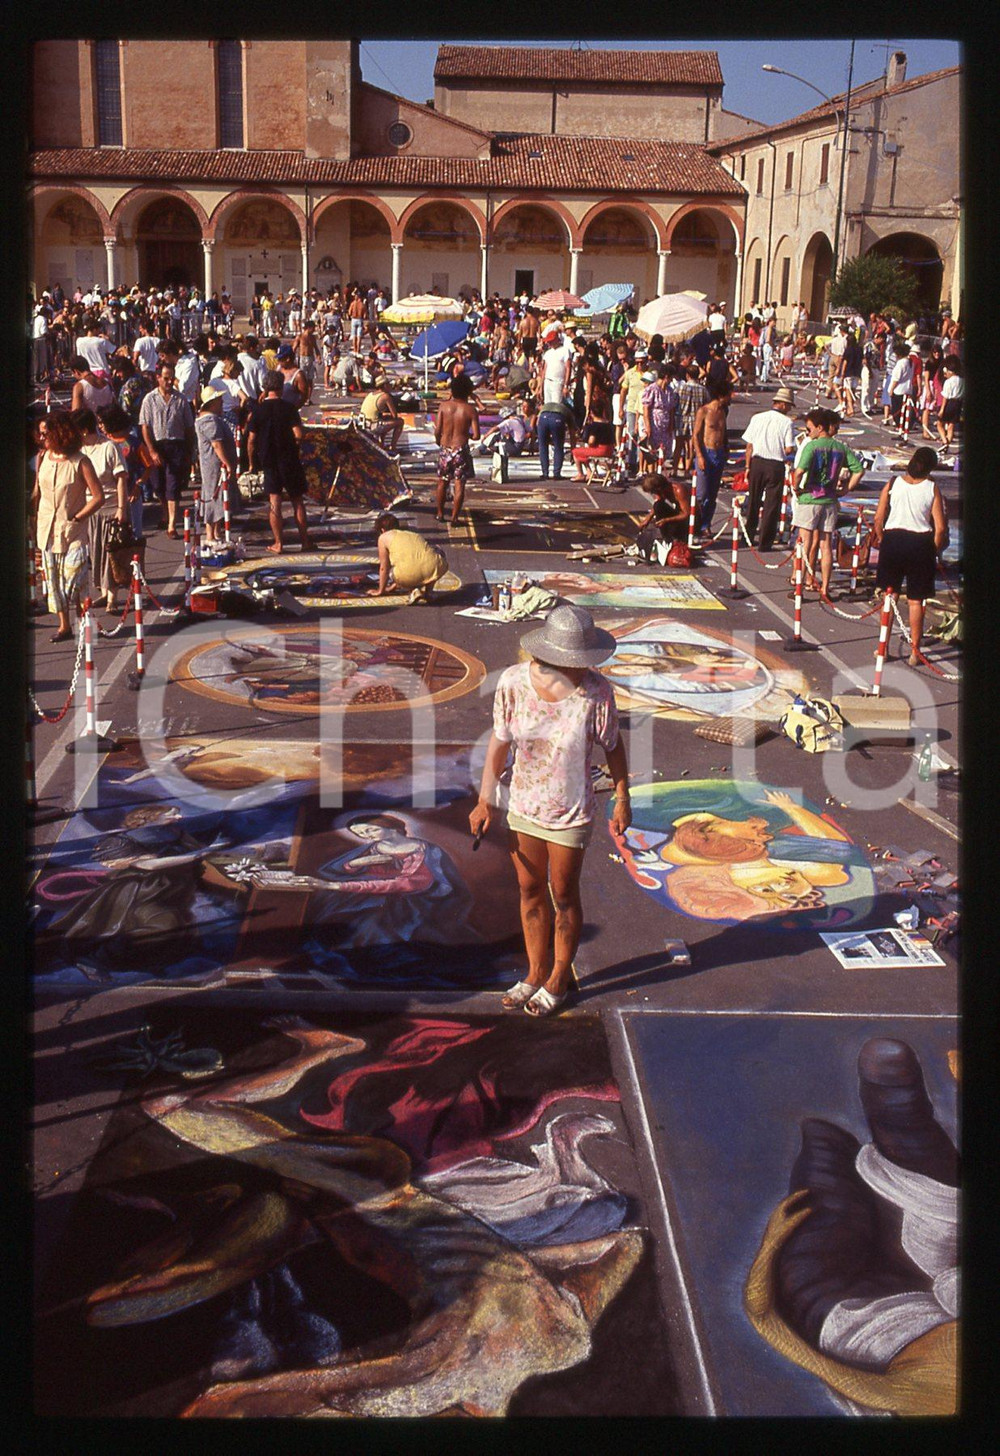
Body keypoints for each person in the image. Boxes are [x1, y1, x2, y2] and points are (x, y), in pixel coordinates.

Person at [469, 604, 631, 1017]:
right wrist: (485, 799)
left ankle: (559, 976)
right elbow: (499, 744)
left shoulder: (597, 693)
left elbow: (613, 745)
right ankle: (534, 971)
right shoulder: (512, 684)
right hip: (523, 804)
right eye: (574, 663)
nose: (581, 670)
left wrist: (623, 795)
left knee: (562, 894)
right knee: (528, 890)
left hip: (570, 812)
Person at [30, 410, 104, 641]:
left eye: (47, 433)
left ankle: (84, 621)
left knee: (75, 581)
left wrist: (78, 517)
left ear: (61, 433)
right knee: (52, 580)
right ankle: (64, 626)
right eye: (41, 434)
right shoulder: (43, 457)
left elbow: (98, 496)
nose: (43, 438)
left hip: (73, 531)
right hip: (46, 530)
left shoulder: (80, 461)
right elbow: (37, 492)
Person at [871, 446, 949, 666]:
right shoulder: (932, 488)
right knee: (916, 601)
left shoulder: (893, 483)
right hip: (920, 543)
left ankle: (883, 648)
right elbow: (940, 528)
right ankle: (915, 651)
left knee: (889, 595)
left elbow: (878, 518)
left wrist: (882, 539)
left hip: (893, 540)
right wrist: (933, 549)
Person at [790, 408, 865, 600]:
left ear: (819, 427)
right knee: (825, 545)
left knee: (805, 543)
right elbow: (858, 470)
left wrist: (796, 487)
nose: (808, 433)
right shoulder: (840, 448)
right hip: (830, 499)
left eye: (809, 429)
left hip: (810, 497)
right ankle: (824, 588)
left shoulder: (812, 447)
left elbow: (799, 472)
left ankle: (800, 583)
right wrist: (845, 490)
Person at [246, 369, 314, 554]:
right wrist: (295, 446)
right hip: (289, 457)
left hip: (269, 459)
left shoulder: (257, 411)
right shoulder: (289, 408)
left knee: (274, 502)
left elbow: (251, 440)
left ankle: (278, 543)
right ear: (281, 388)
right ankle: (305, 541)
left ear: (265, 388)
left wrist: (252, 462)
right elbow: (298, 434)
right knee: (297, 501)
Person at [70, 406, 129, 614]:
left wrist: (122, 508)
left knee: (110, 555)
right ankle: (104, 593)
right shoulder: (79, 452)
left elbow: (121, 479)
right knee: (95, 555)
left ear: (84, 430)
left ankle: (112, 597)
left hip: (111, 508)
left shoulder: (109, 447)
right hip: (89, 510)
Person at [138, 360, 195, 538]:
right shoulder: (150, 399)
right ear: (158, 378)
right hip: (157, 445)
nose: (169, 382)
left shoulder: (181, 400)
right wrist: (152, 451)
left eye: (172, 378)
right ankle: (165, 512)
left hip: (176, 445)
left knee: (173, 485)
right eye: (165, 378)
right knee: (159, 486)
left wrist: (189, 451)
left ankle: (171, 523)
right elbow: (145, 427)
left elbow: (189, 427)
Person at [741, 385, 797, 551]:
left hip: (757, 462)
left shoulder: (757, 418)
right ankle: (765, 542)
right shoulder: (787, 422)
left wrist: (747, 466)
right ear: (784, 405)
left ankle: (748, 535)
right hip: (775, 465)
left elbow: (749, 446)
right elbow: (788, 449)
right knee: (771, 504)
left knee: (753, 500)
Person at [367, 512, 449, 604]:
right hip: (436, 567)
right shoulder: (412, 534)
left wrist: (380, 591)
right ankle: (428, 592)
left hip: (408, 573)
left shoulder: (383, 537)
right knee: (433, 556)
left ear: (382, 530)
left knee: (393, 570)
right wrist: (392, 587)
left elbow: (384, 568)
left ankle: (413, 589)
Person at [194, 384, 238, 545]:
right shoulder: (209, 421)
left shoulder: (209, 419)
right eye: (218, 400)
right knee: (215, 495)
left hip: (211, 463)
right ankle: (211, 534)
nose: (221, 403)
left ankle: (215, 532)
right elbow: (216, 444)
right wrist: (227, 463)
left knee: (214, 494)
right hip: (213, 464)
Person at [433, 373, 479, 524]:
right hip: (460, 449)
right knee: (459, 484)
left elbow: (438, 429)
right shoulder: (470, 410)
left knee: (442, 482)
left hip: (445, 448)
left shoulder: (444, 406)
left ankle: (440, 513)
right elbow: (477, 435)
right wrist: (467, 434)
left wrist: (438, 441)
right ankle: (454, 517)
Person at [692, 379, 733, 539]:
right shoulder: (704, 411)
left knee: (713, 493)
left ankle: (705, 525)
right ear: (722, 395)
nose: (731, 397)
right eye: (729, 394)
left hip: (719, 453)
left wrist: (726, 447)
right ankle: (695, 524)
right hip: (706, 453)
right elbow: (696, 435)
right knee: (702, 493)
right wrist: (700, 456)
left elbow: (724, 431)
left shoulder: (723, 411)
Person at [635, 473, 693, 562]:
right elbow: (658, 504)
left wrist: (666, 520)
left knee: (661, 512)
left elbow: (686, 514)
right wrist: (647, 519)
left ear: (659, 488)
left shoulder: (678, 490)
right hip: (679, 514)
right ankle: (667, 540)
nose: (653, 494)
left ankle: (676, 539)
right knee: (658, 505)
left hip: (691, 520)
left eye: (653, 492)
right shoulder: (662, 491)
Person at [359, 374, 403, 453]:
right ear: (385, 385)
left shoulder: (371, 394)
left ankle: (381, 444)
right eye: (389, 384)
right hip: (373, 426)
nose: (390, 386)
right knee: (400, 422)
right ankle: (393, 447)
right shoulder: (385, 396)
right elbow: (395, 415)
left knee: (384, 419)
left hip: (364, 424)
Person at [936, 356, 963, 452]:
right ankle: (947, 445)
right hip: (958, 403)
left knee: (939, 423)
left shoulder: (948, 382)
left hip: (949, 403)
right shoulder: (961, 380)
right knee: (951, 425)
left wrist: (942, 410)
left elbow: (945, 397)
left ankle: (945, 442)